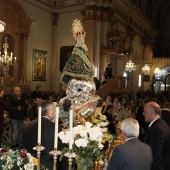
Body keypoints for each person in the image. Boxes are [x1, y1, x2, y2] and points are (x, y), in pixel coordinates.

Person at [20, 100, 67, 170]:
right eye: (53, 109)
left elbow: (23, 146)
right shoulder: (55, 127)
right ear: (48, 112)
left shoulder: (26, 125)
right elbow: (61, 149)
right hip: (48, 166)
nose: (54, 112)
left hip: (29, 164)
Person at [143, 101, 170, 170]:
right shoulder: (160, 123)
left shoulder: (157, 129)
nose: (143, 114)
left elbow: (155, 155)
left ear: (152, 113)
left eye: (145, 111)